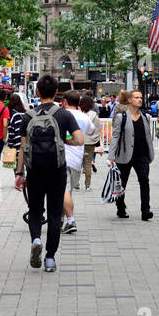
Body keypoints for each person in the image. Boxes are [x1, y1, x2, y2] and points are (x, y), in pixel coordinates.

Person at [16, 75, 87, 272]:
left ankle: (36, 239)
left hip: (34, 169)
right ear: (57, 92)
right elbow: (80, 140)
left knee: (36, 211)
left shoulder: (28, 116)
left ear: (37, 92)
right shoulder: (64, 115)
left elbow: (23, 147)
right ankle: (49, 258)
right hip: (57, 170)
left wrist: (19, 173)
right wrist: (64, 142)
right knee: (55, 214)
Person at [110, 90, 155, 221]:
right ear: (130, 100)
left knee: (144, 181)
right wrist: (111, 156)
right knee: (122, 183)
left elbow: (148, 137)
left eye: (141, 97)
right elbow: (115, 137)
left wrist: (150, 155)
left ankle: (146, 210)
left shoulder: (146, 117)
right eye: (137, 97)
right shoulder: (121, 117)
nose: (140, 100)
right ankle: (120, 208)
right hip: (124, 155)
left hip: (142, 156)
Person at [59, 89, 95, 232]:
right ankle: (61, 220)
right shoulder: (84, 117)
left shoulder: (61, 114)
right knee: (67, 191)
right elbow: (92, 132)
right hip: (77, 159)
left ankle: (71, 221)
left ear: (65, 102)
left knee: (64, 191)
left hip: (63, 156)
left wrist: (66, 139)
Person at [76, 93, 101, 190]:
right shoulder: (94, 115)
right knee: (88, 163)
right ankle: (87, 185)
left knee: (77, 163)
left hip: (78, 141)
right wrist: (95, 140)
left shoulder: (78, 114)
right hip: (90, 142)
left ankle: (76, 183)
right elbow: (97, 130)